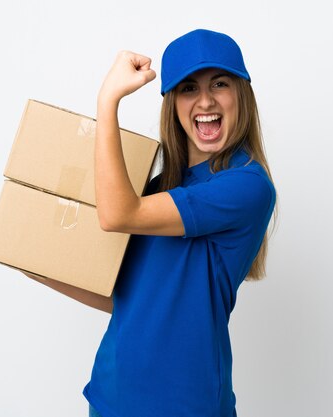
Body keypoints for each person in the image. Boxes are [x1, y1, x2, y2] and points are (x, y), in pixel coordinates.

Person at [28, 28, 277, 417]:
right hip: (111, 397)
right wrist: (42, 266)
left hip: (185, 406)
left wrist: (107, 100)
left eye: (220, 84)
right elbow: (127, 299)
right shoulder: (161, 189)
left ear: (241, 94)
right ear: (174, 104)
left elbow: (117, 214)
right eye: (188, 88)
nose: (206, 100)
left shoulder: (246, 186)